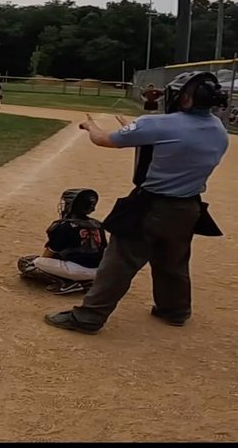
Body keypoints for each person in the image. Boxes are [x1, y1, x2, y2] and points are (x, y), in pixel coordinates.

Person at [45, 71, 230, 335]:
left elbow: (103, 140)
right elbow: (176, 146)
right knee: (173, 260)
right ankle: (175, 311)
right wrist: (140, 130)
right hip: (189, 208)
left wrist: (91, 127)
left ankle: (88, 318)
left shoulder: (159, 124)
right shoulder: (219, 131)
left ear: (186, 99)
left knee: (118, 261)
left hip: (152, 207)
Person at [18, 189, 108, 295]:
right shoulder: (97, 225)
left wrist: (41, 266)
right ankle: (87, 282)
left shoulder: (64, 226)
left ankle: (65, 283)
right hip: (100, 271)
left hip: (77, 271)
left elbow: (49, 253)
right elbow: (104, 249)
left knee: (30, 263)